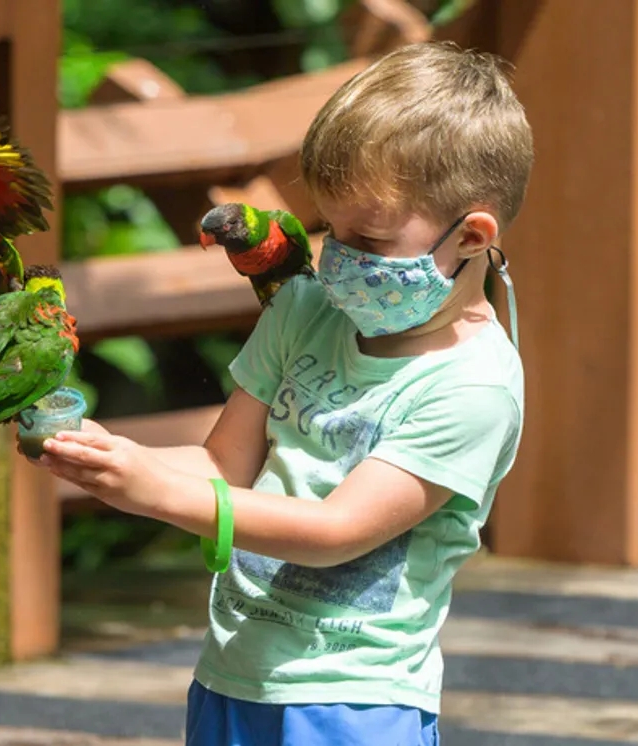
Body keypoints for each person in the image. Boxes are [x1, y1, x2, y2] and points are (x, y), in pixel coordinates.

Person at [32, 40, 533, 745]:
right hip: (233, 673)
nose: (339, 256)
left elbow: (335, 534)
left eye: (370, 238)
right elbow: (222, 466)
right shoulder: (303, 312)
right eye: (333, 228)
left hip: (355, 702)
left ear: (472, 235)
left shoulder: (472, 386)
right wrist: (110, 456)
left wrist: (151, 490)